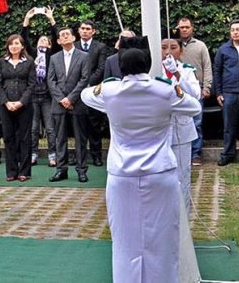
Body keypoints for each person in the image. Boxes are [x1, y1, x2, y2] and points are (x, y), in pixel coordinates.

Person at [81, 36, 201, 283]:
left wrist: (109, 83)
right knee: (163, 240)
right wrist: (173, 84)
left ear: (121, 69)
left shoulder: (110, 91)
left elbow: (85, 95)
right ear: (148, 66)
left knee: (125, 241)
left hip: (122, 176)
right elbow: (193, 107)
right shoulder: (165, 90)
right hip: (160, 174)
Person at [48, 26, 91, 183]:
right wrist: (62, 99)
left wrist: (71, 98)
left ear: (74, 38)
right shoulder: (54, 58)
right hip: (58, 104)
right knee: (60, 138)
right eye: (62, 35)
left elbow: (84, 79)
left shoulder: (84, 56)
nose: (65, 37)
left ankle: (81, 170)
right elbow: (50, 81)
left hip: (77, 103)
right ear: (58, 41)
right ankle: (61, 169)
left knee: (80, 138)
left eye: (67, 34)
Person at [161, 38, 200, 210]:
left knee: (182, 175)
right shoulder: (152, 69)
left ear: (181, 51)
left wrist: (177, 74)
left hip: (182, 130)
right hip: (159, 131)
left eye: (173, 47)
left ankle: (183, 218)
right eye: (163, 48)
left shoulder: (187, 71)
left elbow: (195, 95)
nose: (168, 51)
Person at [0, 34, 36, 182]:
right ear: (8, 46)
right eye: (11, 44)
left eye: (17, 43)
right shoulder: (1, 62)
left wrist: (21, 102)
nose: (14, 46)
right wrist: (6, 102)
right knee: (8, 137)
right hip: (6, 106)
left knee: (24, 138)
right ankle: (11, 171)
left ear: (22, 46)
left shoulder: (29, 62)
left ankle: (24, 171)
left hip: (24, 106)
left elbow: (32, 84)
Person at [21, 7, 59, 166]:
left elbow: (57, 38)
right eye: (41, 40)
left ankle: (52, 155)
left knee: (50, 128)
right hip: (32, 96)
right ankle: (33, 154)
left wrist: (51, 19)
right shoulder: (32, 54)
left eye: (46, 40)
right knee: (33, 128)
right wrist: (26, 20)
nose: (43, 41)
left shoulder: (53, 54)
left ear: (50, 44)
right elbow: (24, 39)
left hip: (47, 97)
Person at [176, 17, 213, 166]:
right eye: (181, 27)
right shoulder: (174, 45)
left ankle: (196, 154)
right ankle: (181, 153)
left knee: (196, 122)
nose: (184, 29)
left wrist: (207, 87)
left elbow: (207, 67)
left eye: (187, 27)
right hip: (178, 91)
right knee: (180, 122)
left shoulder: (200, 46)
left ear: (192, 28)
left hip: (196, 89)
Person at [213, 20, 239, 166]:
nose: (235, 32)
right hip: (229, 92)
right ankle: (228, 154)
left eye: (238, 29)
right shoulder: (223, 50)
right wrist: (218, 92)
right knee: (229, 126)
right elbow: (217, 71)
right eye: (232, 30)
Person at [75, 20, 109, 167]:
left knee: (95, 125)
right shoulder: (74, 46)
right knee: (79, 125)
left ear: (93, 31)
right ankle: (79, 156)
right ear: (79, 30)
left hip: (94, 90)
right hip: (77, 91)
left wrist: (88, 83)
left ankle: (96, 155)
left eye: (88, 29)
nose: (85, 31)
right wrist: (80, 85)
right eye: (82, 28)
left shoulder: (100, 47)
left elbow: (101, 68)